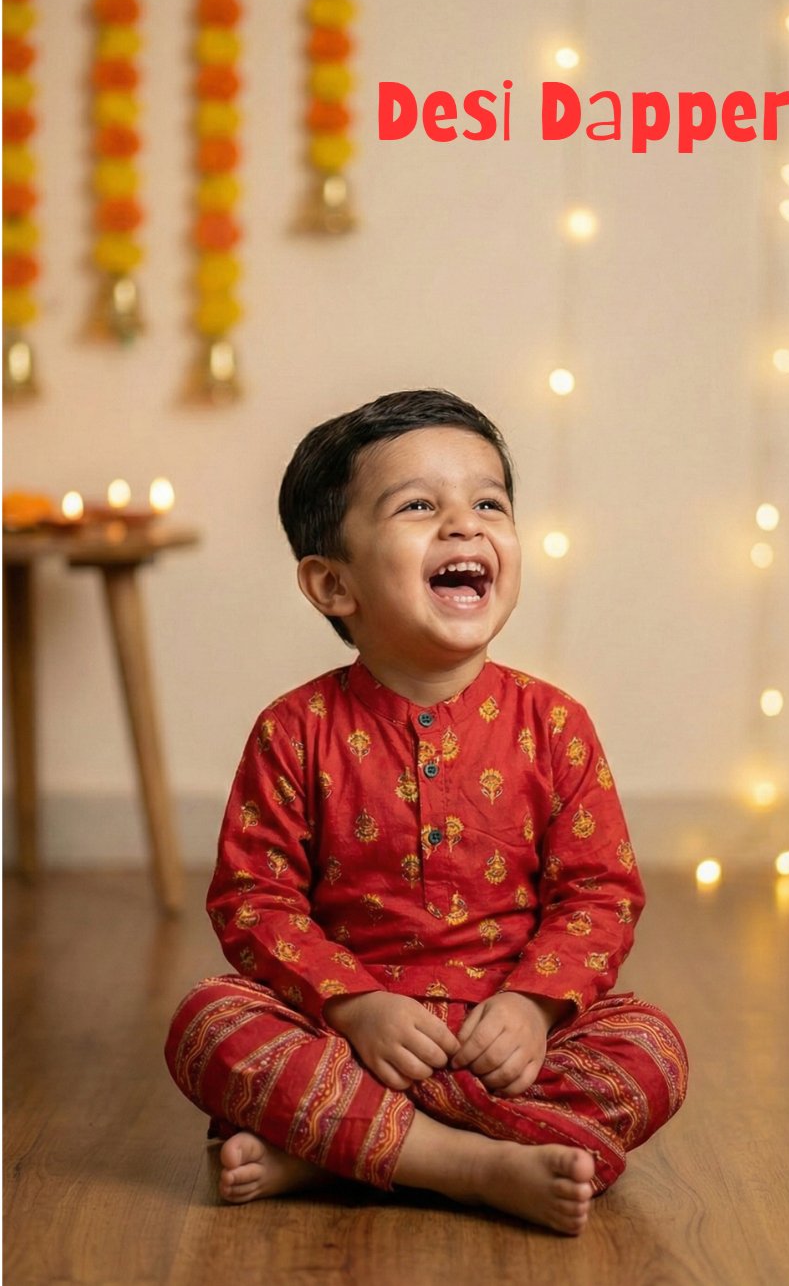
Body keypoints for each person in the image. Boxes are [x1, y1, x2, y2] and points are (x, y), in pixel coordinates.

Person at [165, 389, 688, 1235]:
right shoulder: (295, 730)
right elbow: (254, 902)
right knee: (209, 1024)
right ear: (332, 583)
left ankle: (338, 1150)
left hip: (509, 1045)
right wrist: (353, 1006)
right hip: (349, 1036)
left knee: (653, 1049)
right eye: (418, 506)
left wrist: (532, 1009)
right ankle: (472, 1166)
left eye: (489, 504)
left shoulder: (555, 724)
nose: (464, 525)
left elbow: (599, 895)